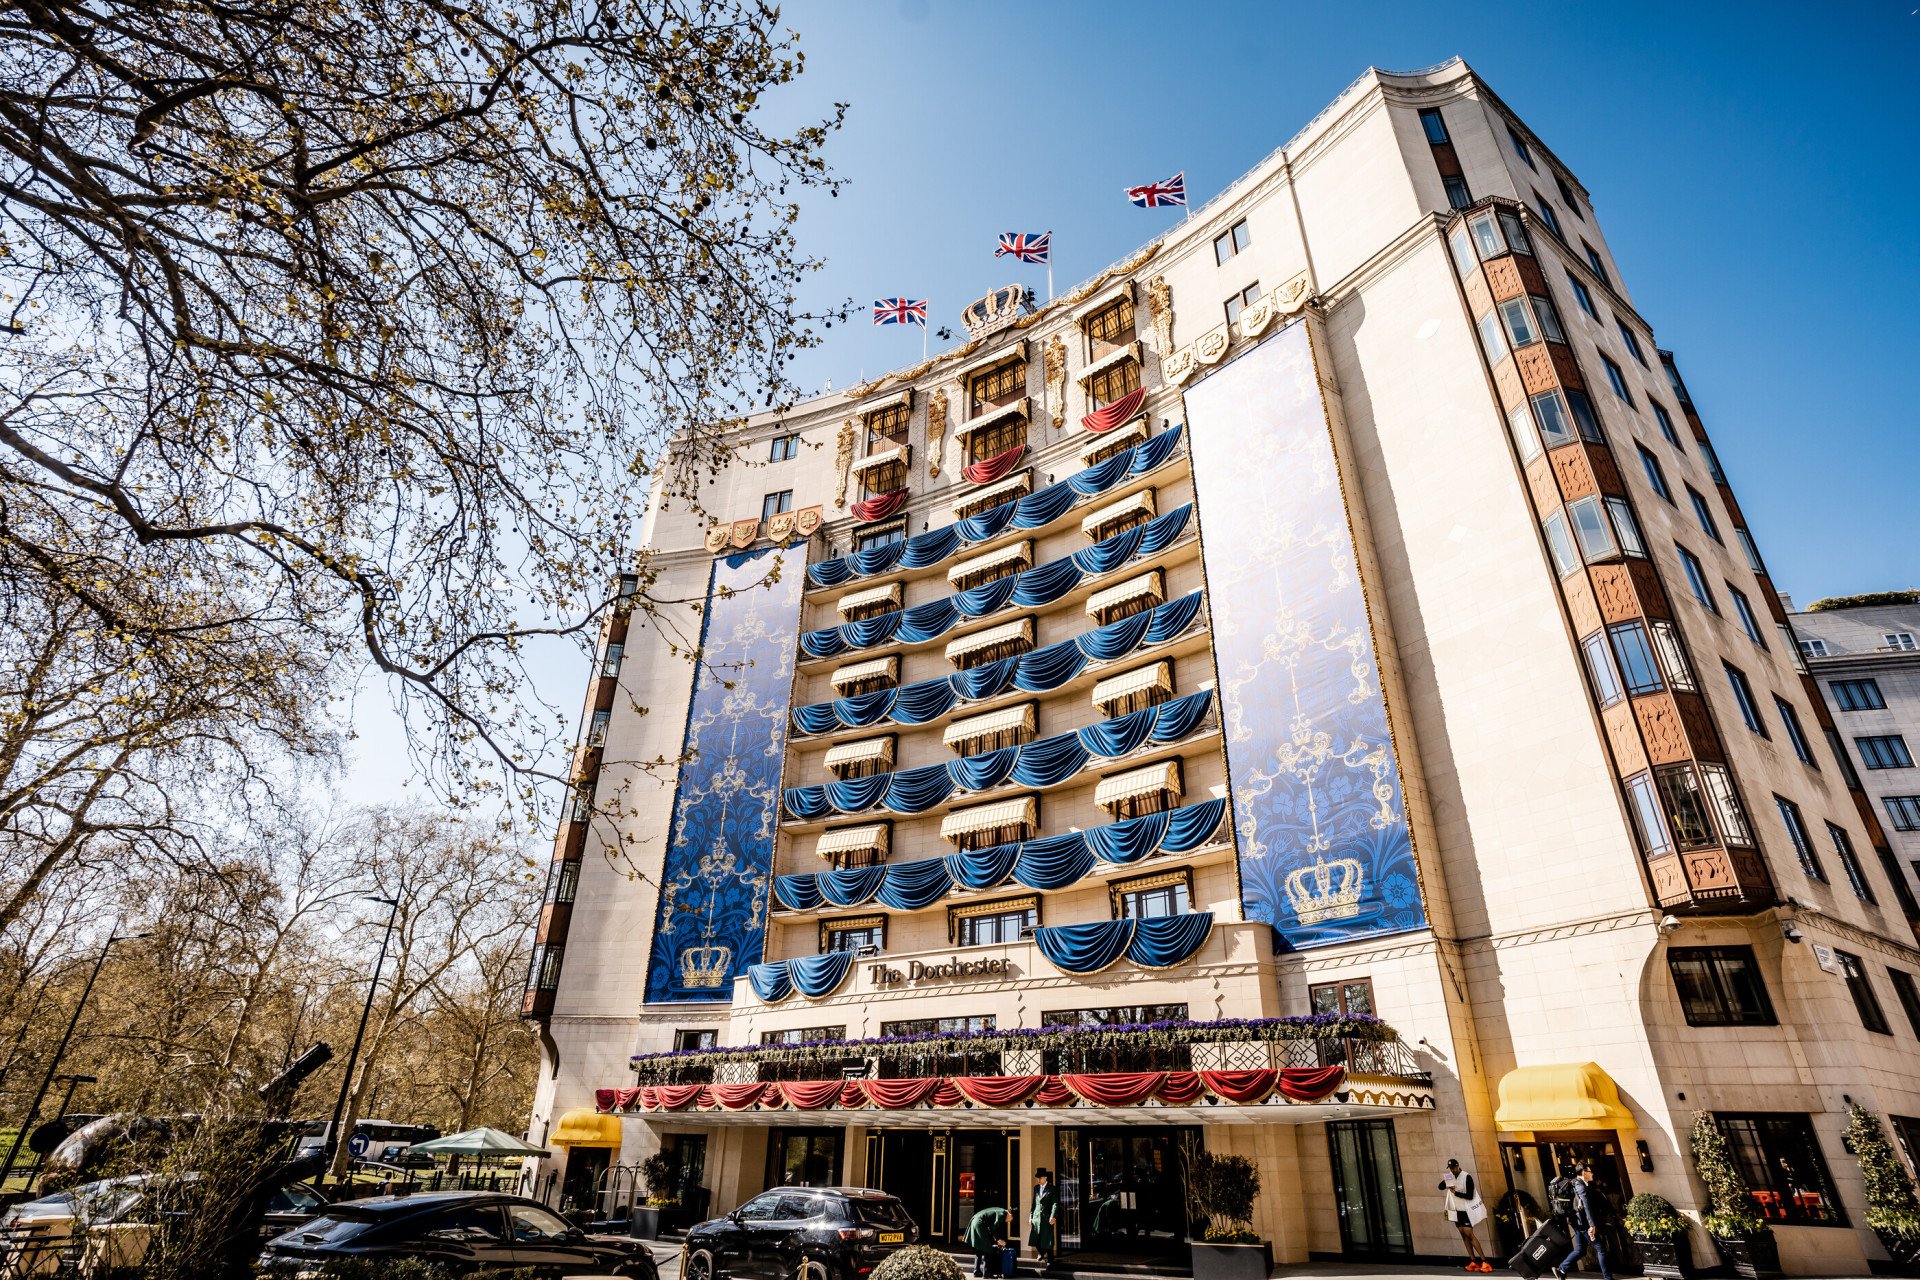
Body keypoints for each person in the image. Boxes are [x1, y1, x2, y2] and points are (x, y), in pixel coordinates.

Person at [1553, 1164, 1615, 1280]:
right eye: (1590, 1171)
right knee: (1601, 1249)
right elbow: (1586, 1207)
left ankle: (1561, 1269)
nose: (1592, 1173)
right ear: (1583, 1172)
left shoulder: (1582, 1184)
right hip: (1584, 1224)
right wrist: (1592, 1225)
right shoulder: (1579, 1186)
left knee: (1580, 1250)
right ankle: (1608, 1278)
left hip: (1578, 1223)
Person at [1439, 1157, 1491, 1272]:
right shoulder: (1449, 1176)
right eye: (1450, 1168)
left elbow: (1470, 1196)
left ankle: (1485, 1261)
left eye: (1453, 1167)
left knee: (1470, 1234)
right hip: (1457, 1210)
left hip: (1467, 1210)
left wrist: (1455, 1192)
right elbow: (1440, 1187)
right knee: (1463, 1235)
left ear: (1458, 1166)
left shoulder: (1466, 1176)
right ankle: (1473, 1261)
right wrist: (1447, 1182)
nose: (1452, 1170)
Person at [966, 1205, 1011, 1277]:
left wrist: (995, 1239)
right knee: (988, 1248)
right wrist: (999, 1240)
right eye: (1009, 1220)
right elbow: (994, 1228)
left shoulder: (999, 1211)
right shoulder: (1002, 1213)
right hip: (979, 1223)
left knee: (979, 1248)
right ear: (1009, 1214)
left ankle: (976, 1271)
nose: (1008, 1222)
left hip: (975, 1221)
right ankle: (987, 1273)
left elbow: (990, 1227)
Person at [1029, 1168, 1059, 1268]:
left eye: (1040, 1178)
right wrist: (1031, 1216)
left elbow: (1055, 1203)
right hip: (1036, 1217)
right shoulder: (1036, 1188)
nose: (1038, 1180)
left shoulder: (1052, 1188)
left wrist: (1053, 1216)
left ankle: (1050, 1260)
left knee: (1048, 1238)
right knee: (1035, 1237)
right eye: (1038, 1178)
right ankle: (1041, 1252)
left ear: (1045, 1178)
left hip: (1047, 1218)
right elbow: (1034, 1203)